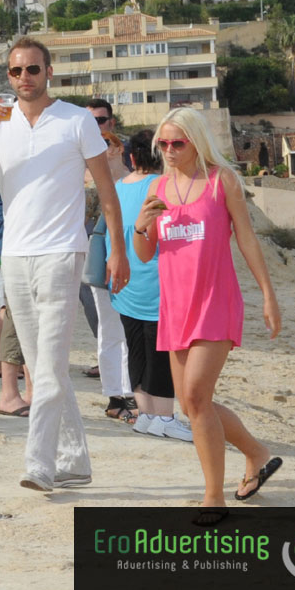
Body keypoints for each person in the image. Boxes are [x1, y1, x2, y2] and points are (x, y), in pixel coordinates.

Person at [0, 37, 129, 492]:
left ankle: (39, 463)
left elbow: (106, 191)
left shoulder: (75, 120)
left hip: (61, 252)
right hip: (14, 256)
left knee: (49, 365)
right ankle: (74, 460)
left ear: (48, 72)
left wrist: (116, 248)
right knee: (39, 361)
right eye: (15, 72)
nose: (24, 79)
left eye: (32, 70)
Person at [132, 108, 282, 517]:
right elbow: (145, 255)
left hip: (216, 301)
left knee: (196, 395)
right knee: (191, 406)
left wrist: (268, 295)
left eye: (177, 143)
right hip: (175, 307)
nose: (168, 150)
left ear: (196, 142)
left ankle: (212, 497)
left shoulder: (222, 182)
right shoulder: (158, 188)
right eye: (162, 144)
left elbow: (248, 240)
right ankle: (256, 453)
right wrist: (141, 226)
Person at [107, 130, 191, 442]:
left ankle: (146, 416)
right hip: (158, 286)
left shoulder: (118, 187)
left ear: (131, 158)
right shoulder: (162, 189)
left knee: (136, 352)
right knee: (162, 355)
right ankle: (165, 417)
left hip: (125, 285)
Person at [79, 99, 135, 422]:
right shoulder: (76, 158)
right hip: (93, 246)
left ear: (111, 123)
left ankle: (128, 391)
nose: (96, 127)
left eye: (101, 121)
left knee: (126, 323)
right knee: (104, 320)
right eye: (89, 122)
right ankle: (116, 392)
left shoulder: (124, 154)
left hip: (126, 247)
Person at [0, 165, 32, 417]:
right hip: (15, 245)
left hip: (24, 243)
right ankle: (10, 388)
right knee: (12, 313)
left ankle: (30, 390)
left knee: (28, 316)